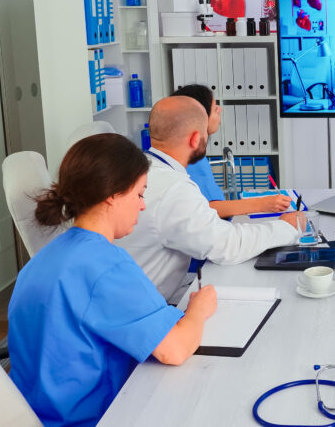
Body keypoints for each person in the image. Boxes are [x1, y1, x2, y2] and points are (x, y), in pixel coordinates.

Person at [8, 133, 217, 427]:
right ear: (112, 194)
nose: (142, 206)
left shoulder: (43, 259)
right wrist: (199, 309)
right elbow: (175, 349)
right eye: (140, 194)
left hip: (35, 414)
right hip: (91, 418)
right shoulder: (105, 265)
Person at [115, 96, 301, 303]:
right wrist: (285, 228)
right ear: (195, 138)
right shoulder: (173, 188)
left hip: (138, 290)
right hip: (144, 306)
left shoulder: (142, 169)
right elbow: (226, 245)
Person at [170, 84, 290, 217]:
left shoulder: (180, 152)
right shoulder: (191, 159)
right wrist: (263, 204)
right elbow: (211, 208)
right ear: (200, 116)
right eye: (215, 108)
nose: (220, 109)